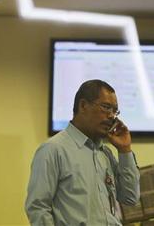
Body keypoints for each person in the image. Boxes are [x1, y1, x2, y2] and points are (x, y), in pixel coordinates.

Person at [25, 79, 140, 226]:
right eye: (106, 107)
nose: (112, 116)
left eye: (114, 110)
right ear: (83, 105)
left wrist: (125, 150)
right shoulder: (53, 150)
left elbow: (130, 197)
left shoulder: (105, 154)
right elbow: (38, 208)